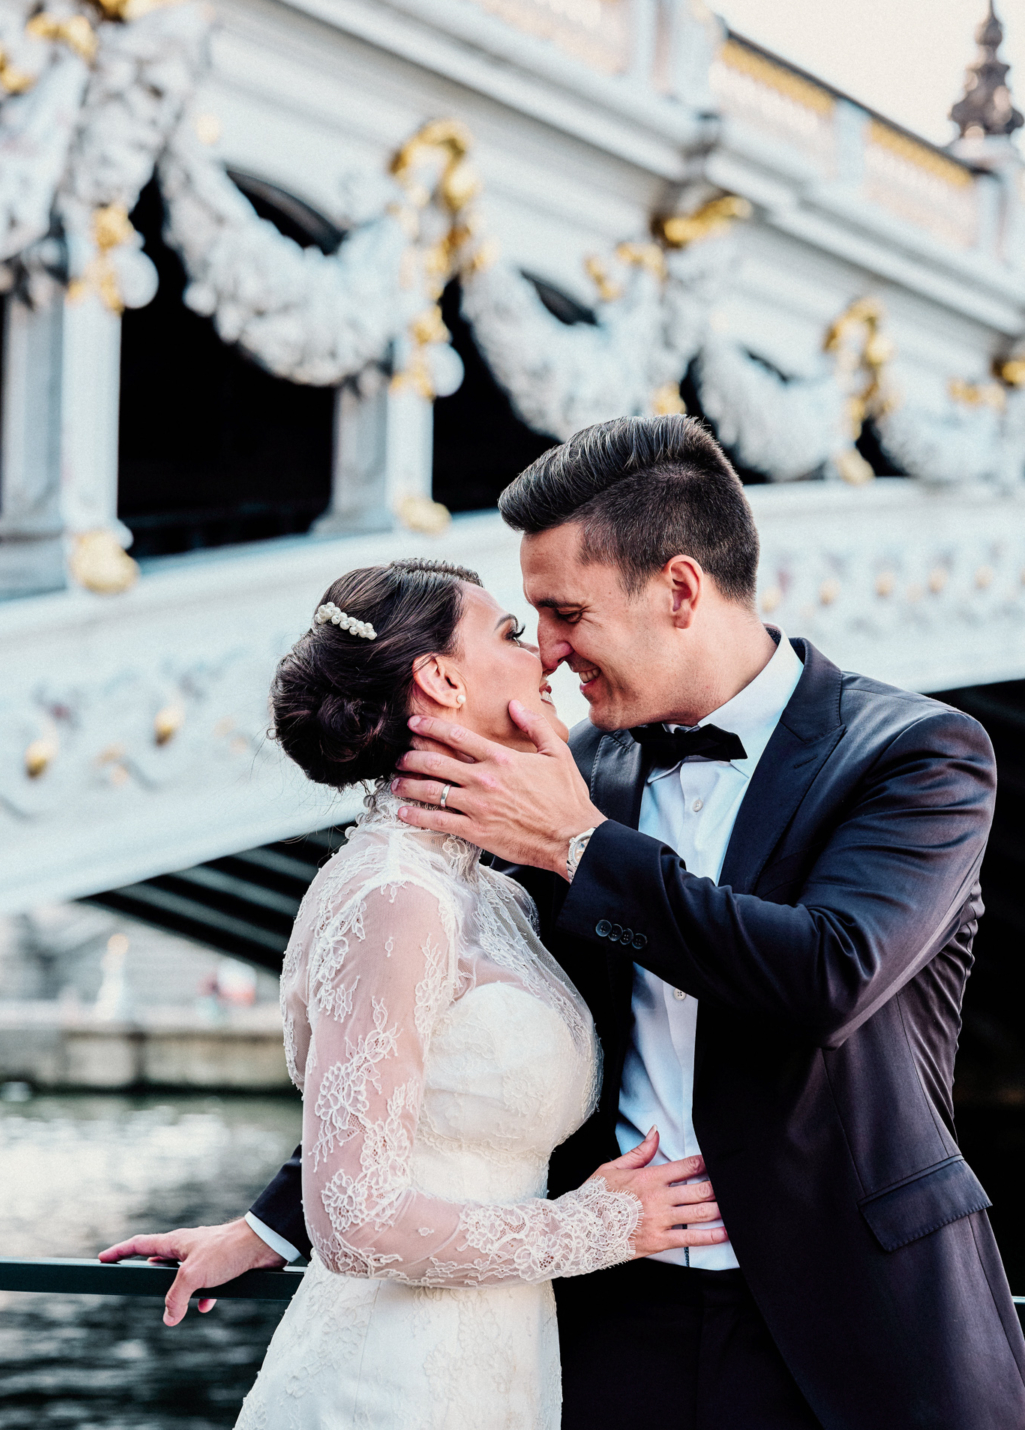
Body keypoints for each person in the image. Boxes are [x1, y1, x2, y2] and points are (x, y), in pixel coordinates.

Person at [385, 417, 1025, 1429]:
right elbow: (451, 1010)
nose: (545, 653)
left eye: (563, 612)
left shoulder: (920, 755)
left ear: (679, 589)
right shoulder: (581, 772)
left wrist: (583, 851)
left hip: (860, 1318)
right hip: (614, 1308)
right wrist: (273, 1221)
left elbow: (830, 976)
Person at [99, 555, 732, 1429]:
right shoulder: (397, 897)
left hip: (500, 1360)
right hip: (390, 1381)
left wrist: (261, 1231)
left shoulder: (493, 893)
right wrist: (597, 1227)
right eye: (510, 633)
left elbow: (412, 1109)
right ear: (437, 679)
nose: (542, 656)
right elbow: (356, 1218)